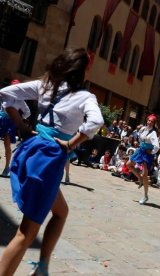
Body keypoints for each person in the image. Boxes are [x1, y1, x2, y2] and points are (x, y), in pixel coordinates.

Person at [0, 48, 104, 275]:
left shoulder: (44, 86)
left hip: (31, 151)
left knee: (61, 212)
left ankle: (43, 266)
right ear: (83, 72)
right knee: (26, 232)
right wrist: (70, 144)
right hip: (49, 159)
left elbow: (5, 93)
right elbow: (96, 120)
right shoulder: (85, 97)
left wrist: (21, 123)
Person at [126, 114, 159, 204]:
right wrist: (140, 143)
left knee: (145, 174)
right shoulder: (143, 128)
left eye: (151, 121)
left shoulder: (153, 133)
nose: (149, 122)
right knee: (128, 164)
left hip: (147, 154)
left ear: (154, 123)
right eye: (148, 120)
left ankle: (145, 196)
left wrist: (151, 152)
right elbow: (140, 135)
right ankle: (139, 179)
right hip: (140, 150)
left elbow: (156, 147)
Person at [0, 79, 31, 177]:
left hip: (10, 121)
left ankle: (6, 167)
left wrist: (19, 118)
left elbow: (27, 112)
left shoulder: (20, 100)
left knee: (7, 143)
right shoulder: (4, 95)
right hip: (1, 118)